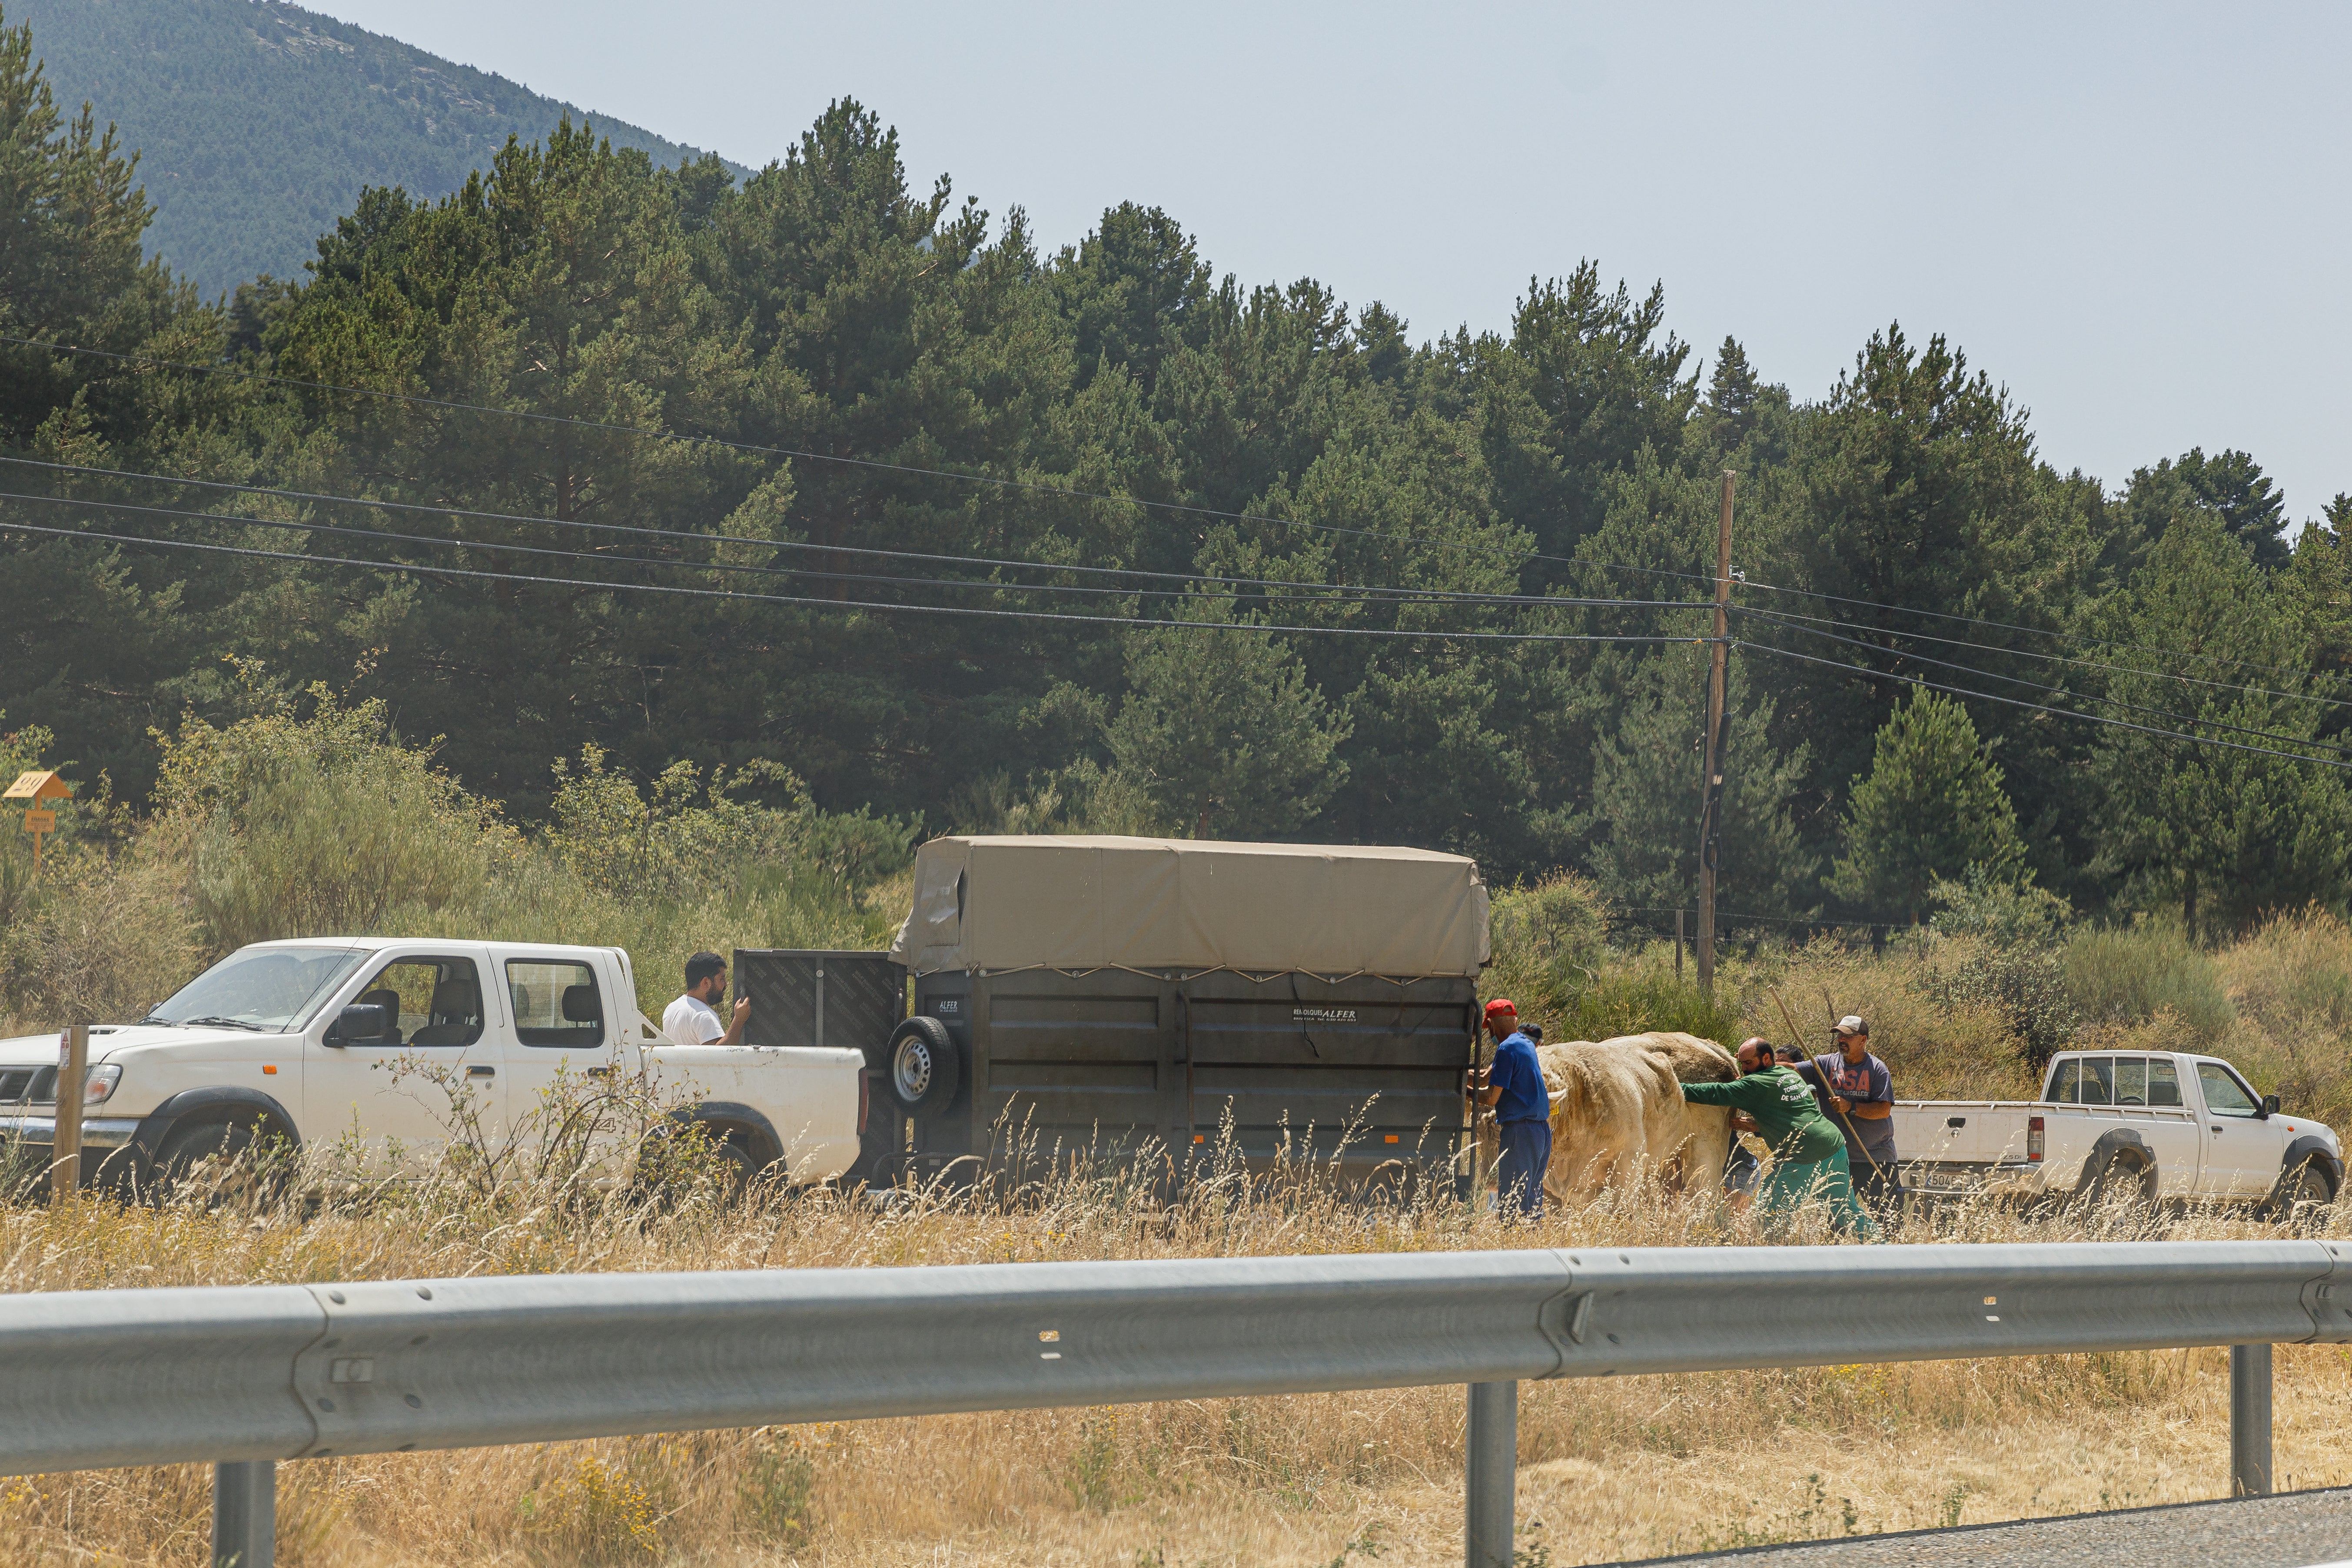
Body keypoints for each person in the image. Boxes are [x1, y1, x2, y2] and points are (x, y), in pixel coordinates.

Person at [1682, 1037, 1876, 1238]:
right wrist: (1760, 1126)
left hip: (1803, 1154)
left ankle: (1779, 1264)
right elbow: (1792, 1112)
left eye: (1749, 1063)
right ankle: (1886, 1251)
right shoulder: (1788, 1074)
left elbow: (1715, 1092)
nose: (1745, 1070)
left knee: (1766, 1219)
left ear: (1766, 1059)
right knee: (1845, 1211)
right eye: (1741, 1064)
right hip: (1834, 1147)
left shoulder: (1756, 1084)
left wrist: (1676, 1088)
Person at [1469, 998, 1550, 1218]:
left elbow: (1491, 1098)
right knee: (1531, 1200)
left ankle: (1514, 1246)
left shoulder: (1506, 1049)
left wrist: (1460, 1090)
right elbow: (1487, 1076)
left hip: (1520, 1133)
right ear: (1515, 1021)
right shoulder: (1524, 1043)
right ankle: (1532, 1245)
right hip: (1541, 1132)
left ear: (1492, 1026)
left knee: (1513, 1202)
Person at [1811, 1016, 1899, 1214]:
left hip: (1874, 1157)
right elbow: (1793, 1068)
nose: (1842, 1040)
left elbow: (1884, 1109)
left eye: (1848, 1036)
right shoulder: (1825, 1064)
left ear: (1863, 1040)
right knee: (1832, 1218)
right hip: (1837, 1157)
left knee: (1888, 1218)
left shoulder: (1877, 1069)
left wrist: (1851, 1107)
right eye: (1840, 1035)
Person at [663, 951, 751, 1048]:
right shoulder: (703, 1015)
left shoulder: (671, 1008)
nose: (726, 984)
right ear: (706, 982)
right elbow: (720, 1054)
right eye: (722, 979)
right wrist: (739, 1020)